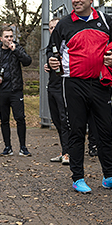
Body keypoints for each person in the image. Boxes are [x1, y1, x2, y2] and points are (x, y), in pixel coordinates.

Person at [48, 0, 112, 193]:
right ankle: (78, 178)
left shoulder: (105, 20)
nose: (76, 0)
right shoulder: (64, 24)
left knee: (105, 130)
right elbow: (51, 51)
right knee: (76, 131)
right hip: (73, 84)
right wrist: (51, 60)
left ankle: (110, 176)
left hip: (100, 83)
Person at [0, 27, 32, 157]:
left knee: (20, 118)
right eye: (6, 37)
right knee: (4, 120)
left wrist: (15, 50)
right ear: (1, 39)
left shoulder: (17, 49)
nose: (9, 39)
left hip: (15, 90)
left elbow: (27, 61)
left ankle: (23, 147)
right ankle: (7, 147)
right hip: (1, 91)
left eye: (11, 36)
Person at [45, 18, 71, 165]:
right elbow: (50, 54)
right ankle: (64, 150)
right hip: (52, 85)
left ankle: (68, 152)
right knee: (56, 120)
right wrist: (48, 63)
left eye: (56, 26)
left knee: (64, 119)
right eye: (50, 27)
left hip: (63, 85)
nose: (53, 29)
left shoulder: (66, 41)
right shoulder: (52, 44)